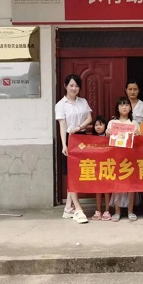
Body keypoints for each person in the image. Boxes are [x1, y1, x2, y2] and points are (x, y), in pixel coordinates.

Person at [55, 74, 92, 224]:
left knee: (78, 173)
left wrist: (79, 127)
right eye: (71, 85)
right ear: (65, 86)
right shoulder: (60, 105)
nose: (74, 88)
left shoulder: (83, 101)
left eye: (76, 86)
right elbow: (62, 126)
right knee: (72, 174)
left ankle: (68, 209)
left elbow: (89, 118)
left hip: (82, 137)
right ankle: (77, 209)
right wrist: (64, 145)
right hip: (69, 139)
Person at [106, 97, 140, 222]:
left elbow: (139, 142)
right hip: (116, 157)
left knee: (131, 185)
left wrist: (138, 135)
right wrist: (108, 133)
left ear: (130, 108)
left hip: (130, 157)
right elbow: (106, 140)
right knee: (117, 184)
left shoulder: (134, 123)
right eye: (121, 105)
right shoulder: (112, 123)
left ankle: (130, 211)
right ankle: (117, 212)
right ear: (117, 108)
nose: (124, 107)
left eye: (126, 105)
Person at [91, 116, 111, 221]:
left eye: (101, 125)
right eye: (96, 125)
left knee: (106, 189)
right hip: (96, 167)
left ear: (105, 126)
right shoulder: (91, 139)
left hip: (107, 166)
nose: (98, 127)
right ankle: (98, 210)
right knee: (98, 189)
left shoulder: (109, 137)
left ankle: (107, 210)